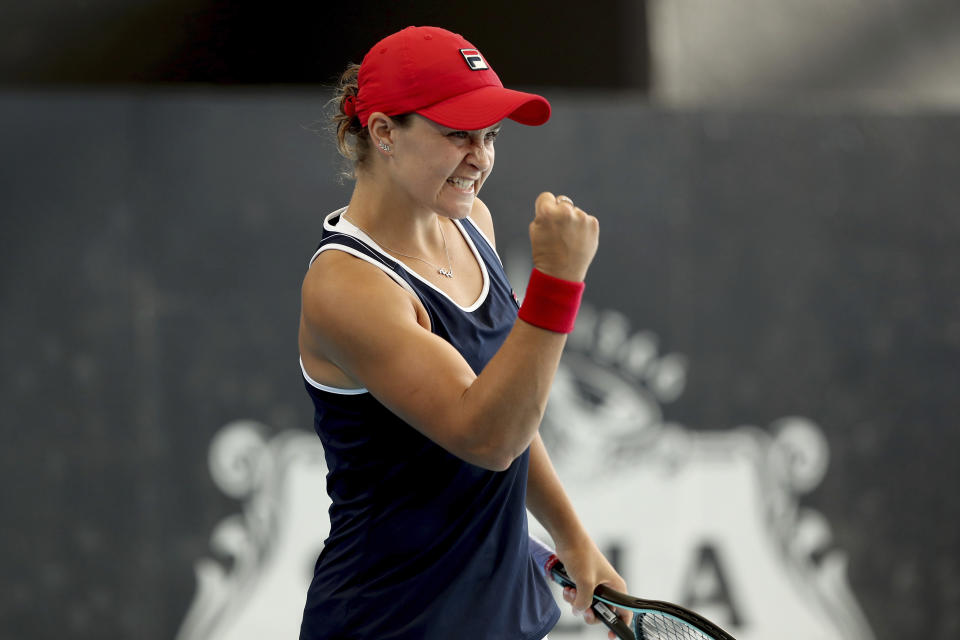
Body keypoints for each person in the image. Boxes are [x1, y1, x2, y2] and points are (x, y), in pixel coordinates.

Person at [298, 25, 629, 639]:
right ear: (383, 133)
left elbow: (512, 407)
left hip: (503, 616)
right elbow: (488, 436)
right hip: (388, 624)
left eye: (491, 135)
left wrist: (574, 538)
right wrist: (557, 286)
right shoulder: (346, 287)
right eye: (456, 133)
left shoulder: (473, 220)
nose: (480, 157)